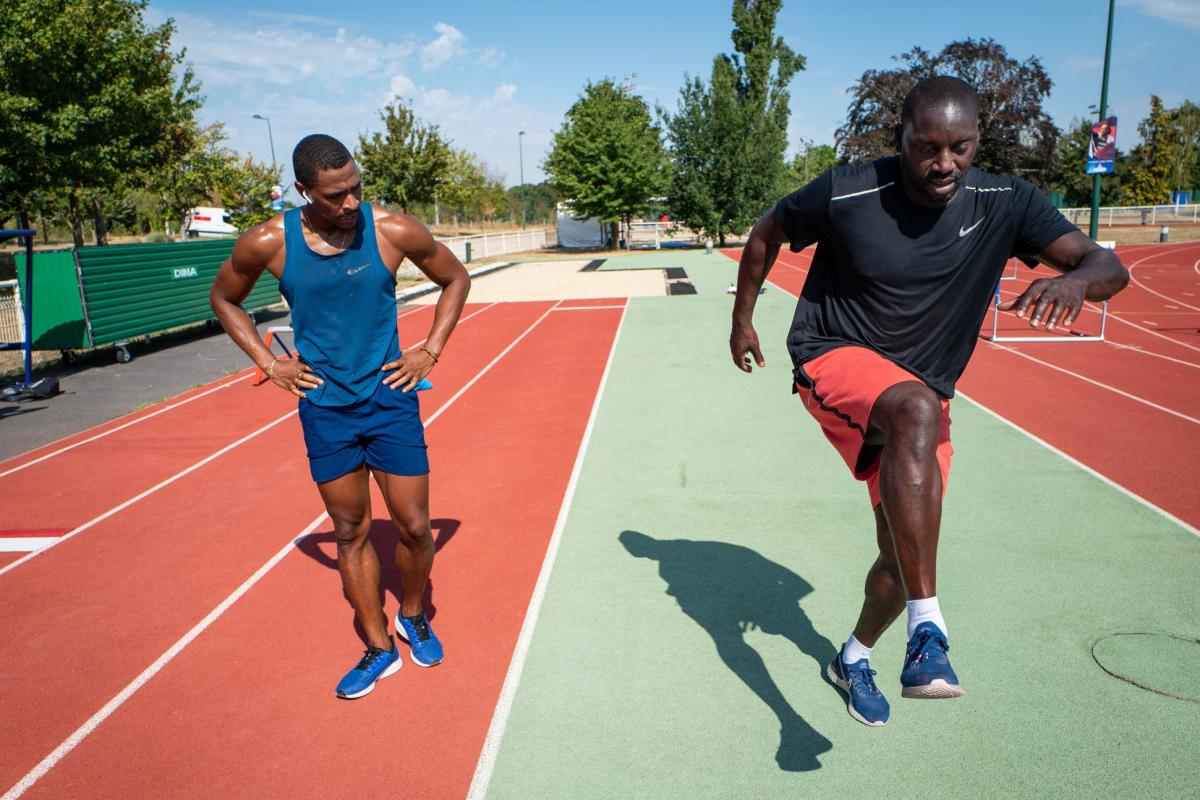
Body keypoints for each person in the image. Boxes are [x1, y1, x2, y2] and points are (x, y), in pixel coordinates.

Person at [729, 76, 1128, 727]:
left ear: (977, 142)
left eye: (960, 147)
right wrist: (742, 320)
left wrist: (1079, 282)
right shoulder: (850, 189)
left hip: (919, 400)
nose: (944, 163)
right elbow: (766, 233)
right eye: (927, 147)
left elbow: (1105, 264)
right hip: (833, 357)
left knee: (901, 554)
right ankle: (930, 634)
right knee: (914, 409)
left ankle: (853, 657)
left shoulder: (1005, 201)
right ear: (901, 139)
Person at [210, 134, 470, 699]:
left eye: (355, 188)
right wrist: (266, 362)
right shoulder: (269, 241)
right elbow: (224, 299)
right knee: (350, 531)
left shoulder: (393, 230)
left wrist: (430, 348)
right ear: (304, 190)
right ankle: (378, 647)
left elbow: (455, 279)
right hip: (325, 409)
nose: (351, 203)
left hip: (389, 400)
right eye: (335, 195)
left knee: (416, 527)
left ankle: (414, 614)